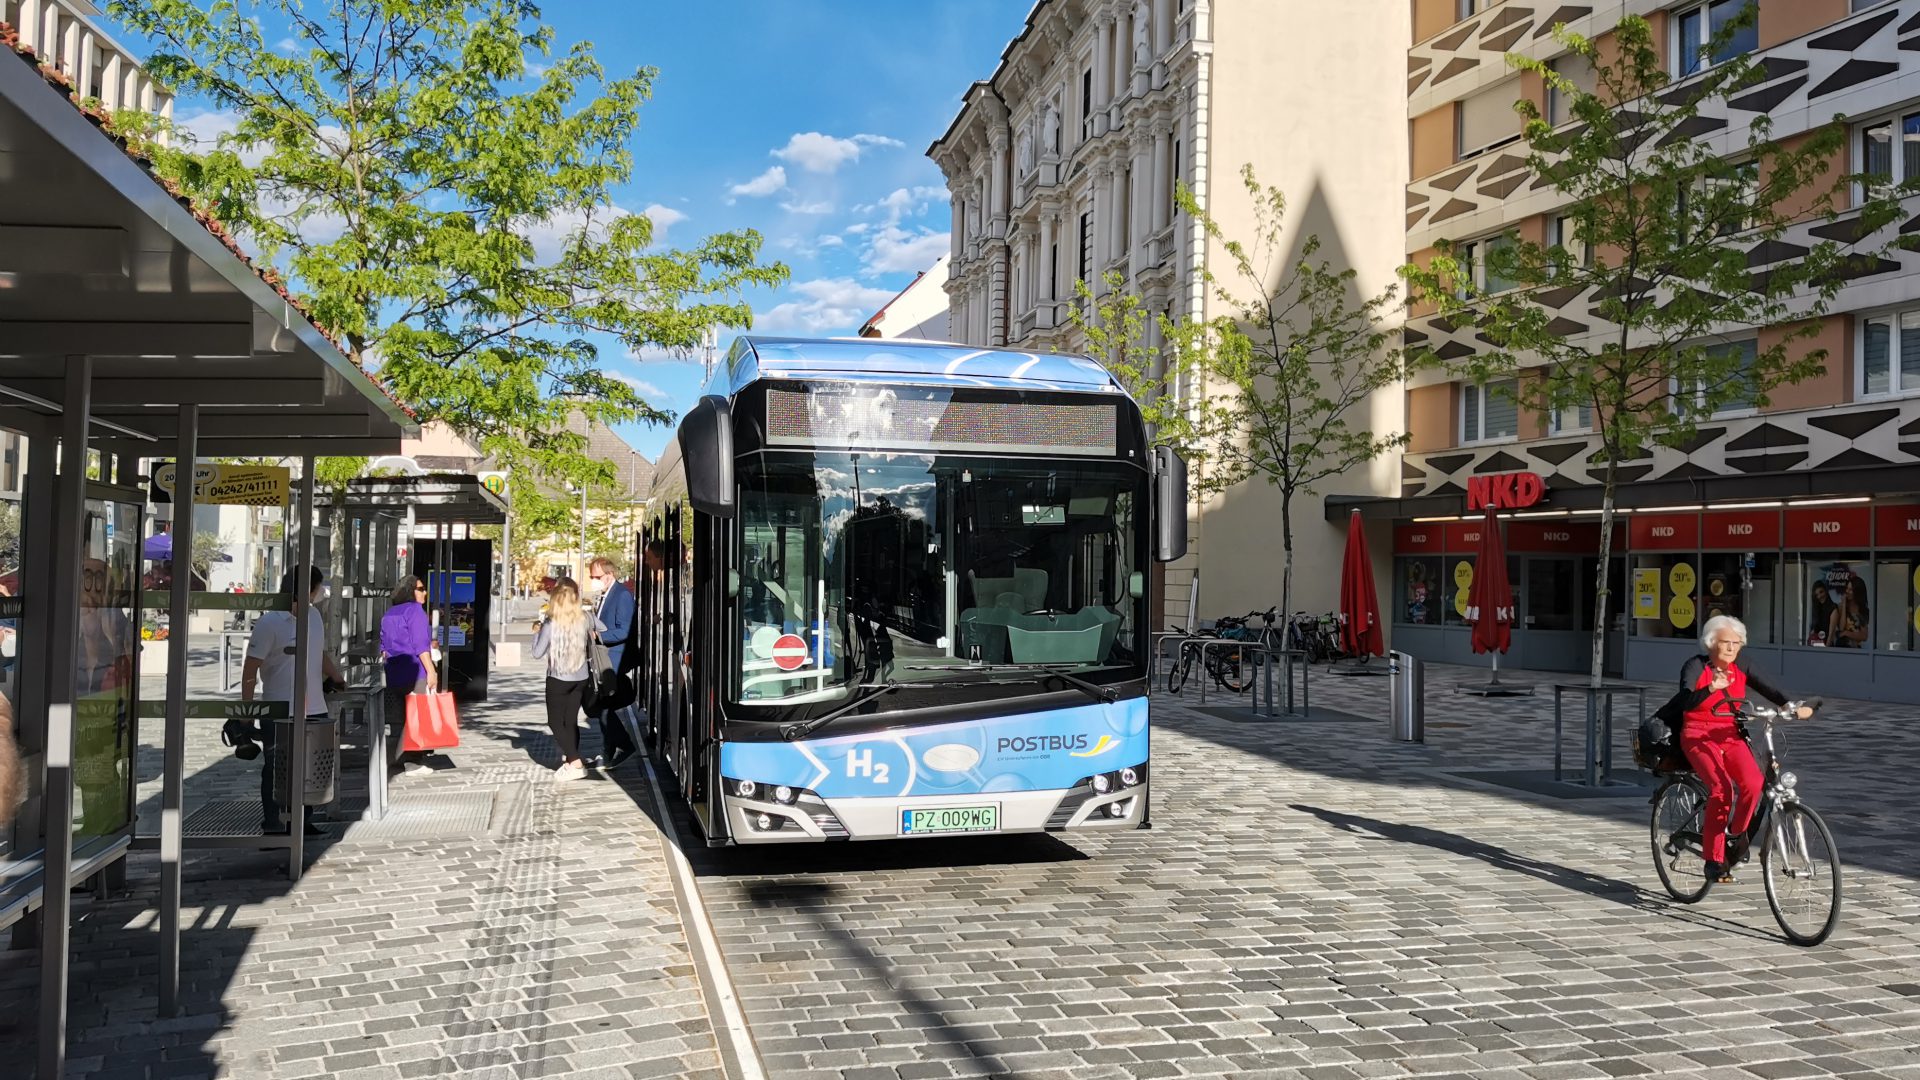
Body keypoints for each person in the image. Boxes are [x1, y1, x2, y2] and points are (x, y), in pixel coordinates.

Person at [1671, 615, 1811, 883]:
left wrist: (1790, 706)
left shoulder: (1742, 664)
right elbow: (1685, 701)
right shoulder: (1696, 666)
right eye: (1726, 643)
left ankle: (1735, 839)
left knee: (1754, 782)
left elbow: (1769, 688)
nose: (1732, 648)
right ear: (1711, 643)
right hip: (1698, 734)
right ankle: (1713, 858)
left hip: (1729, 733)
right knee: (1722, 789)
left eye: (1737, 643)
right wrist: (1711, 687)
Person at [240, 567, 344, 836]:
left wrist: (336, 676)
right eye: (318, 588)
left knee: (310, 766)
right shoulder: (270, 623)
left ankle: (303, 820)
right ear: (309, 589)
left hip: (315, 708)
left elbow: (317, 652)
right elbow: (251, 668)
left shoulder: (314, 616)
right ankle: (273, 822)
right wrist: (247, 709)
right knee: (276, 767)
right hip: (278, 708)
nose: (320, 594)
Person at [531, 578, 593, 782]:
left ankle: (575, 762)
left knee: (555, 722)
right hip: (581, 676)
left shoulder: (550, 623)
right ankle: (570, 758)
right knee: (571, 720)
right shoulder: (585, 617)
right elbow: (602, 628)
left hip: (559, 678)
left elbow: (537, 653)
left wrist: (536, 633)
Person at [586, 556, 640, 769]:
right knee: (601, 706)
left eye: (596, 576)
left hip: (614, 660)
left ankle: (624, 746)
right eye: (591, 576)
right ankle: (608, 753)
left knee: (602, 706)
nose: (593, 580)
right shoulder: (605, 595)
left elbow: (624, 630)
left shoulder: (622, 595)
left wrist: (597, 635)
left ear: (609, 575)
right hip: (605, 659)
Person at [379, 575, 438, 772]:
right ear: (410, 591)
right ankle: (412, 762)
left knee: (400, 717)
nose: (424, 593)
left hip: (394, 671)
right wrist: (431, 671)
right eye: (420, 589)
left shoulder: (390, 613)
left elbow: (383, 645)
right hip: (415, 671)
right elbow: (421, 644)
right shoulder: (415, 611)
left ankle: (395, 759)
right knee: (417, 716)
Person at [1827, 575, 1869, 649]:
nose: (1847, 592)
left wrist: (1846, 633)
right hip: (1840, 647)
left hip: (1855, 649)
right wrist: (1844, 605)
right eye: (1847, 588)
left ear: (1857, 592)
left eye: (1851, 590)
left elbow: (1864, 636)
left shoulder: (1862, 610)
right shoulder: (1840, 607)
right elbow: (1841, 627)